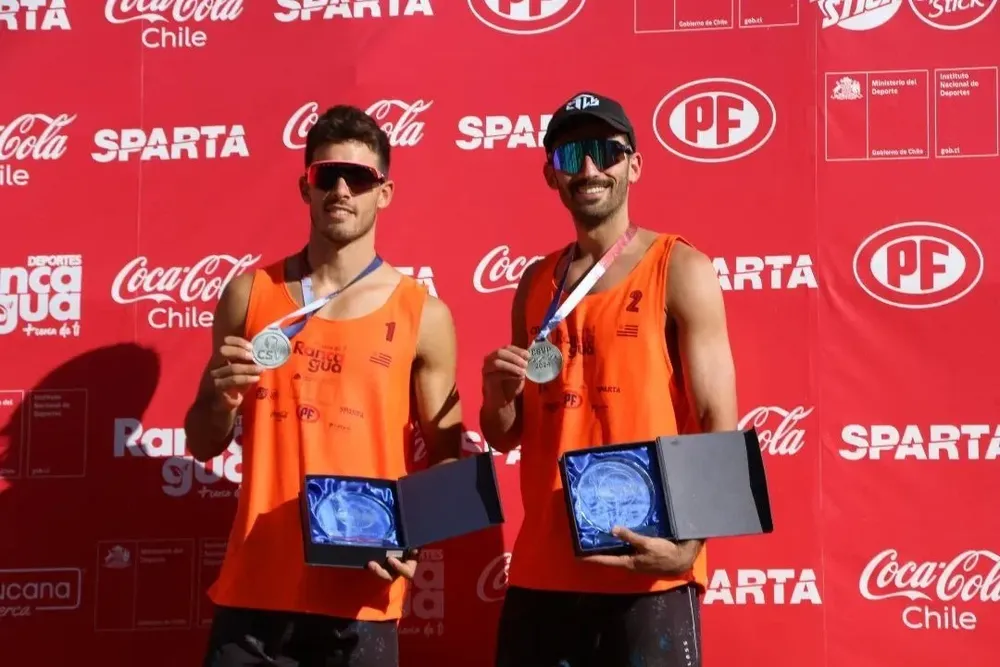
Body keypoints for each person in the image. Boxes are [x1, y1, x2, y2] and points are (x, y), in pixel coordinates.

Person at [184, 105, 463, 667]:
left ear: (383, 192)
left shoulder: (423, 313)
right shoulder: (249, 294)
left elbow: (449, 458)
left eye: (358, 177)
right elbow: (203, 442)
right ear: (304, 187)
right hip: (254, 591)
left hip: (358, 598)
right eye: (325, 175)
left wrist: (409, 531)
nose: (341, 189)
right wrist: (218, 397)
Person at [480, 92, 738, 667]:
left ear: (635, 165)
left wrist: (689, 548)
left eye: (606, 152)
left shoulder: (679, 267)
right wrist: (496, 398)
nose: (591, 169)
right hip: (544, 573)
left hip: (647, 573)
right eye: (574, 155)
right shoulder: (533, 281)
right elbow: (506, 434)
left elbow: (719, 418)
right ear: (553, 174)